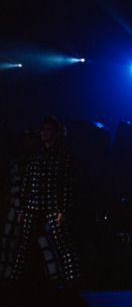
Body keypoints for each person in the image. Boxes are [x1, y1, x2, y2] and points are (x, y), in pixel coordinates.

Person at [11, 116, 80, 283]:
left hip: (53, 207)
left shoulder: (64, 157)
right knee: (24, 245)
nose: (44, 133)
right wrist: (22, 209)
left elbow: (67, 185)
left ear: (56, 133)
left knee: (62, 244)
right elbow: (27, 183)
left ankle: (72, 280)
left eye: (48, 130)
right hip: (33, 206)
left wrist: (63, 210)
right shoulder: (35, 157)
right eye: (43, 130)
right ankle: (14, 280)